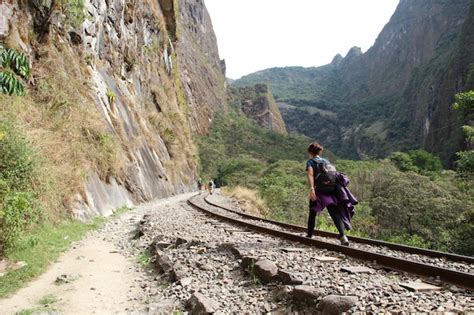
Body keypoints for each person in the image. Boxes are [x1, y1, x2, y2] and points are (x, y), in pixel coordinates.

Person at [306, 142, 356, 246]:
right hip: (331, 190)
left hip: (318, 190)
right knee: (334, 213)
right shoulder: (326, 161)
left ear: (310, 152)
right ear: (320, 152)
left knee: (312, 212)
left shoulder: (310, 162)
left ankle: (309, 235)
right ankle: (343, 236)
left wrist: (312, 190)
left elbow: (310, 175)